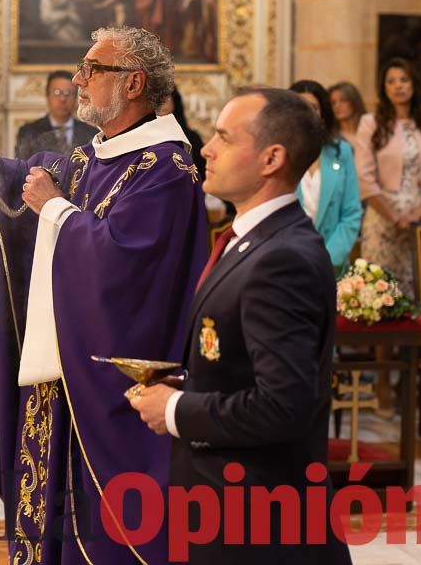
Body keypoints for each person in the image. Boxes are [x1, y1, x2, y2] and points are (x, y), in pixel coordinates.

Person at [0, 26, 210, 563]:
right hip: (59, 375)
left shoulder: (167, 170)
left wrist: (55, 211)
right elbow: (22, 184)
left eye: (90, 69)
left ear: (133, 82)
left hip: (111, 383)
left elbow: (124, 268)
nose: (78, 80)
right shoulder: (89, 158)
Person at [128, 87, 352, 565]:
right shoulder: (252, 240)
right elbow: (243, 362)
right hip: (225, 511)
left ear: (271, 158)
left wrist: (176, 410)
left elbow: (284, 405)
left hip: (258, 522)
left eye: (225, 139)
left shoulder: (282, 257)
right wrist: (189, 381)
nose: (206, 148)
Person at [354, 58, 421, 299]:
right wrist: (393, 216)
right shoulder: (370, 123)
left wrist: (417, 215)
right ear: (384, 88)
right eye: (391, 81)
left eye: (404, 80)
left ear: (414, 85)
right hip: (382, 217)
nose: (398, 86)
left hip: (420, 218)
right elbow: (365, 177)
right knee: (379, 293)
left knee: (416, 289)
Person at [290, 80, 363, 272]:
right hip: (289, 263)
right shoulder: (277, 155)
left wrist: (326, 258)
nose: (306, 113)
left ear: (323, 114)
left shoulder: (342, 152)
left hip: (332, 266)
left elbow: (351, 213)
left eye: (313, 107)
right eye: (299, 107)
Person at [15, 70, 98, 160]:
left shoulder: (91, 134)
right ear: (47, 97)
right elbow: (22, 169)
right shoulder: (28, 132)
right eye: (57, 93)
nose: (62, 99)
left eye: (68, 93)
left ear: (76, 98)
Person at [329, 81, 367, 148]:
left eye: (343, 100)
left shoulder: (370, 131)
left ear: (354, 101)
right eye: (333, 103)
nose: (337, 106)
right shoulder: (330, 139)